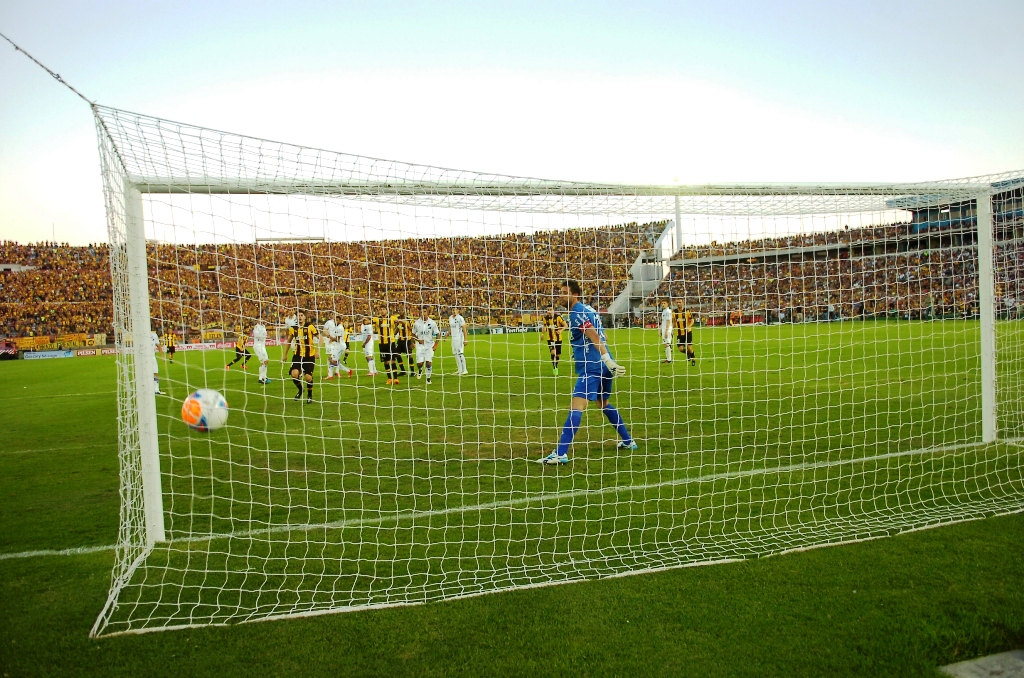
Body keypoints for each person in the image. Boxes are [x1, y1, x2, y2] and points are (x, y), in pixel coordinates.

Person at [538, 280, 635, 465]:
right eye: (560, 292)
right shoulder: (589, 309)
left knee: (576, 406)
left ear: (575, 295)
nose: (561, 295)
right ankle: (628, 441)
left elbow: (595, 336)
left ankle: (561, 453)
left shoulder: (576, 313)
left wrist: (607, 360)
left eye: (565, 292)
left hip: (593, 366)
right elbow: (603, 335)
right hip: (603, 365)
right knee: (603, 403)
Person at [286, 311, 318, 403]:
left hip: (309, 356)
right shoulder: (293, 329)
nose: (300, 317)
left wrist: (318, 351)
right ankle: (300, 390)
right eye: (298, 316)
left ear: (304, 317)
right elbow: (288, 342)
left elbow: (321, 338)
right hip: (298, 355)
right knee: (294, 374)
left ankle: (309, 395)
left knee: (308, 378)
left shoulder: (310, 327)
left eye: (301, 315)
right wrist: (285, 355)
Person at [412, 306, 440, 384]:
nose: (423, 313)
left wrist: (435, 345)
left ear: (427, 312)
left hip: (429, 345)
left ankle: (428, 379)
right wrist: (417, 340)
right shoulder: (417, 323)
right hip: (420, 346)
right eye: (421, 312)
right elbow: (413, 334)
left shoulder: (432, 323)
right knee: (420, 364)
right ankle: (420, 369)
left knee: (428, 363)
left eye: (424, 311)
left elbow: (438, 334)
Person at [373, 309, 400, 385]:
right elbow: (368, 321)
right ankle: (389, 379)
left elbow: (399, 322)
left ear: (386, 310)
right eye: (381, 310)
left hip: (391, 343)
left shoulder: (392, 318)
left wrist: (397, 327)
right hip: (382, 344)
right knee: (385, 361)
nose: (382, 311)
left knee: (392, 361)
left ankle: (395, 378)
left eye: (384, 309)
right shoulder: (377, 319)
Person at [322, 314, 352, 380]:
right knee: (332, 360)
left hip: (340, 346)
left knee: (332, 360)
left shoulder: (339, 328)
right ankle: (331, 375)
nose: (336, 321)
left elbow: (337, 339)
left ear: (340, 321)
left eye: (338, 320)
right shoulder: (337, 326)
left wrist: (331, 339)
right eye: (336, 320)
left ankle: (348, 370)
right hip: (338, 345)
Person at [540, 306, 568, 375]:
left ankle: (556, 366)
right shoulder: (545, 318)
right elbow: (544, 326)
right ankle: (554, 367)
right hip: (550, 339)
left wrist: (561, 330)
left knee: (557, 354)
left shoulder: (558, 317)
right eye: (548, 310)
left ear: (553, 310)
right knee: (553, 353)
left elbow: (566, 325)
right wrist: (542, 334)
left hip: (558, 339)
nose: (549, 311)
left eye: (550, 309)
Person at [674, 300, 696, 366]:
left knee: (689, 348)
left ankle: (693, 359)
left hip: (688, 332)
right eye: (677, 302)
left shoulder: (687, 311)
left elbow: (692, 320)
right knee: (681, 349)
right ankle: (687, 354)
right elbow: (674, 322)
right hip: (679, 333)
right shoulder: (674, 312)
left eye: (680, 302)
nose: (678, 304)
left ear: (683, 303)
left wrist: (689, 326)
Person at [448, 306, 468, 375]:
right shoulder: (450, 318)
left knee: (460, 353)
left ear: (458, 311)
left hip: (459, 338)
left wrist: (465, 339)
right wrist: (447, 335)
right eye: (453, 310)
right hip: (453, 338)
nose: (454, 311)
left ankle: (465, 369)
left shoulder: (460, 318)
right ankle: (459, 370)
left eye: (455, 310)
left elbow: (464, 328)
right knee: (455, 354)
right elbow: (451, 328)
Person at [252, 318, 271, 385]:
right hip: (258, 346)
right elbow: (256, 335)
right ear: (257, 320)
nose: (261, 320)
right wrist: (265, 336)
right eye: (260, 319)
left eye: (262, 319)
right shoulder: (256, 327)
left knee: (265, 361)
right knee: (264, 361)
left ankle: (264, 377)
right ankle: (261, 378)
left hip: (262, 346)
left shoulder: (263, 326)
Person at [150, 327, 165, 395]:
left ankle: (156, 389)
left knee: (155, 372)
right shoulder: (141, 335)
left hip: (152, 356)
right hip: (143, 357)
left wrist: (162, 356)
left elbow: (158, 345)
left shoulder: (154, 335)